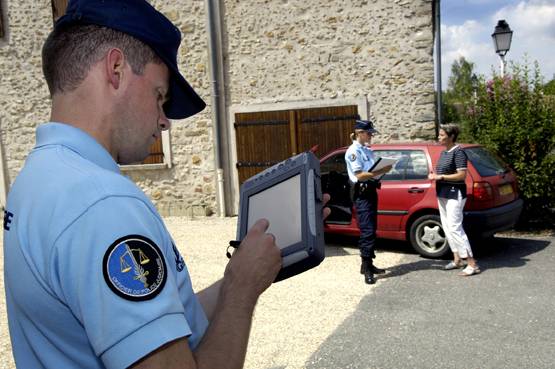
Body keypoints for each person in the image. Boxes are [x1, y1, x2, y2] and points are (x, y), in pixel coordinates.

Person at [3, 1, 328, 368]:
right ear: (116, 69)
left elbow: (166, 325)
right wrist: (241, 291)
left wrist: (243, 272)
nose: (164, 122)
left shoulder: (37, 176)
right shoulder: (102, 204)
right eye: (159, 96)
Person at [428, 124, 480, 276]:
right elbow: (442, 171)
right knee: (447, 226)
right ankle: (457, 259)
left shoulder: (459, 152)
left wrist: (441, 177)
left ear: (451, 137)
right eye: (439, 134)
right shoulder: (444, 153)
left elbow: (461, 175)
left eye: (442, 135)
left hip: (454, 193)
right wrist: (435, 175)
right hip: (442, 193)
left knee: (455, 227)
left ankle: (472, 263)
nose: (439, 137)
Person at [344, 119, 392, 284]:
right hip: (362, 194)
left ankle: (368, 265)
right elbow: (360, 175)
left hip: (370, 192)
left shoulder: (366, 150)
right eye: (369, 133)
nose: (371, 135)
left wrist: (382, 170)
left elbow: (371, 171)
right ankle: (366, 267)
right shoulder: (353, 151)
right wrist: (382, 170)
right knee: (367, 232)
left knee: (371, 230)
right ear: (359, 133)